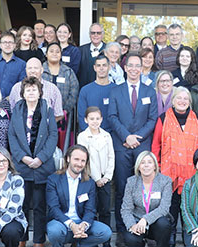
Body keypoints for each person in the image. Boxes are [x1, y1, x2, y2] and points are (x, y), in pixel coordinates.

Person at [107, 54, 159, 235]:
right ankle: (123, 231)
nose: (135, 69)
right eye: (131, 66)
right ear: (126, 68)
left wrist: (137, 137)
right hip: (122, 146)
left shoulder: (149, 91)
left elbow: (153, 119)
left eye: (138, 66)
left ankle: (144, 228)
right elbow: (112, 116)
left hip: (142, 147)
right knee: (122, 188)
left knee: (144, 189)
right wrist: (127, 137)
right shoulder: (115, 90)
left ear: (142, 68)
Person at [152, 86, 198, 242]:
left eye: (186, 99)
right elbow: (156, 145)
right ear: (173, 100)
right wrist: (156, 169)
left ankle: (188, 241)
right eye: (179, 98)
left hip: (192, 177)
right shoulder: (163, 118)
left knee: (189, 215)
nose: (182, 101)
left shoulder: (197, 118)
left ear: (190, 101)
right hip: (168, 176)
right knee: (169, 214)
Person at [8, 77, 58, 247]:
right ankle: (22, 240)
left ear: (39, 92)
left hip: (42, 166)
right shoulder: (17, 110)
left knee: (39, 206)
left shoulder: (47, 110)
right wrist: (23, 157)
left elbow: (53, 136)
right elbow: (12, 136)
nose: (31, 92)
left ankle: (38, 241)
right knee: (21, 206)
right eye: (28, 89)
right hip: (22, 166)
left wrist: (40, 158)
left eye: (34, 89)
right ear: (23, 93)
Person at [45, 145, 113, 247]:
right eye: (76, 159)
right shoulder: (53, 180)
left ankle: (79, 244)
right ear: (68, 159)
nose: (79, 164)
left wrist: (84, 225)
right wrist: (71, 224)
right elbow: (54, 208)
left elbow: (90, 210)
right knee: (54, 231)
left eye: (83, 161)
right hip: (61, 222)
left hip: (81, 222)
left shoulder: (89, 183)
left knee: (105, 232)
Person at [77, 107, 115, 242]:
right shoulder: (82, 136)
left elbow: (111, 157)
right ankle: (90, 241)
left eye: (97, 119)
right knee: (90, 210)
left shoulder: (106, 135)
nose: (95, 121)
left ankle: (106, 242)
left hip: (105, 179)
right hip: (90, 179)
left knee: (105, 211)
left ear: (102, 119)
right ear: (86, 120)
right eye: (91, 119)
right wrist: (97, 178)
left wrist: (107, 177)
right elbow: (86, 159)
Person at [120, 151, 173, 247]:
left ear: (155, 166)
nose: (146, 165)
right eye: (142, 162)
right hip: (137, 221)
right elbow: (126, 209)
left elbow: (164, 208)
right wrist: (132, 225)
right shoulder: (131, 182)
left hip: (157, 222)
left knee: (163, 224)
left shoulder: (165, 181)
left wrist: (145, 219)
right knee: (130, 238)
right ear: (138, 166)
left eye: (149, 162)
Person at [77, 55, 114, 132]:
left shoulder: (117, 89)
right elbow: (82, 116)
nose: (101, 68)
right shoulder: (85, 90)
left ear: (109, 67)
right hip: (90, 135)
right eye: (98, 65)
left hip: (112, 136)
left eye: (104, 65)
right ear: (94, 68)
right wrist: (91, 135)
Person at [0, 32, 27, 99]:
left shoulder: (22, 64)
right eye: (4, 42)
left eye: (10, 42)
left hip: (13, 102)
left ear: (14, 45)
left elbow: (22, 86)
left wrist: (10, 97)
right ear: (0, 45)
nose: (7, 45)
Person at [43, 42, 80, 115]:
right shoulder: (40, 71)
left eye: (57, 52)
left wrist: (65, 110)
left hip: (64, 114)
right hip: (42, 114)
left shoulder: (68, 72)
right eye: (51, 51)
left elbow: (74, 92)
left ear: (61, 55)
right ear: (46, 54)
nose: (54, 54)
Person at [78, 23, 106, 87]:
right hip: (84, 89)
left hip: (104, 89)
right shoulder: (80, 50)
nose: (95, 35)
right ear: (89, 35)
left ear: (102, 35)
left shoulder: (108, 50)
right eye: (93, 33)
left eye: (98, 33)